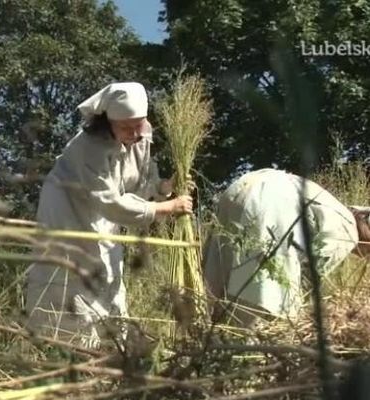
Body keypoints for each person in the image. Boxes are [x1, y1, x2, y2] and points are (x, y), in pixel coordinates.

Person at [25, 82, 193, 347]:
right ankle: (67, 348)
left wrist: (164, 188)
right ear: (108, 122)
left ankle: (111, 345)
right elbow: (110, 201)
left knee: (109, 267)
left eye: (139, 124)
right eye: (126, 127)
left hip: (103, 213)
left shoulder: (140, 135)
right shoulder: (88, 147)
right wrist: (165, 208)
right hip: (68, 208)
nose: (135, 133)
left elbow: (138, 182)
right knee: (74, 272)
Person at [203, 168, 370, 326]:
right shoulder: (347, 231)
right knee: (264, 299)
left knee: (221, 271)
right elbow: (310, 276)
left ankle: (206, 334)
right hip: (271, 205)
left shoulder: (335, 208)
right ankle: (245, 349)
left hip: (239, 187)